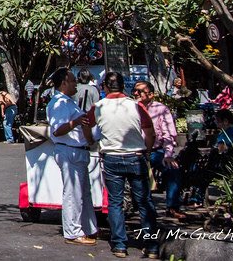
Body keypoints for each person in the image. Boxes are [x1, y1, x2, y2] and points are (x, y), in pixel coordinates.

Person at [93, 71, 159, 259]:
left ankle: (119, 245)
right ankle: (152, 246)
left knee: (115, 202)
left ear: (105, 87)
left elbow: (87, 126)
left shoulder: (98, 106)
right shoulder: (136, 105)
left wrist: (92, 140)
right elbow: (150, 132)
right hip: (136, 156)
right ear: (123, 87)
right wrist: (147, 151)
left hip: (111, 157)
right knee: (144, 201)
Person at [46, 67, 98, 247]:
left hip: (78, 150)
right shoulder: (60, 103)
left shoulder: (69, 102)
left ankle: (88, 227)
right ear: (64, 83)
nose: (76, 83)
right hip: (69, 150)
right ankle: (73, 231)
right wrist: (75, 122)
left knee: (83, 193)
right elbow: (57, 130)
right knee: (73, 193)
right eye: (73, 80)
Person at [134, 80, 184, 219]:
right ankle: (141, 207)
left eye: (140, 91)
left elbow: (169, 133)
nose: (136, 93)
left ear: (150, 94)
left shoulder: (160, 109)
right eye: (135, 91)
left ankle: (172, 206)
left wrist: (168, 154)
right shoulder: (130, 108)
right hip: (135, 151)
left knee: (173, 170)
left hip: (155, 150)